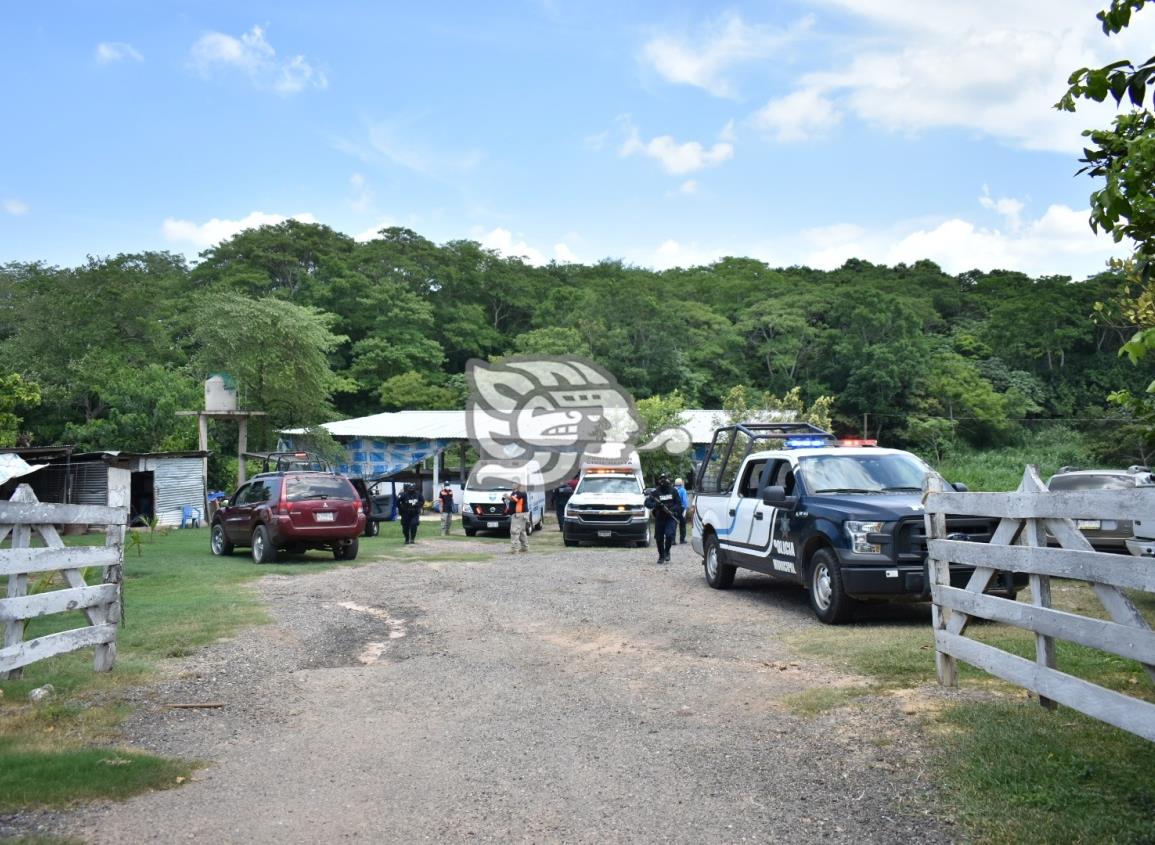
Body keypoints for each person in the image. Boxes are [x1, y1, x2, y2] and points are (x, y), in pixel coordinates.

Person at [645, 473, 683, 564]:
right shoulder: (655, 492)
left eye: (664, 479)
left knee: (669, 535)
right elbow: (647, 503)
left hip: (670, 517)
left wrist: (671, 509)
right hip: (659, 518)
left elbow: (678, 504)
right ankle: (661, 556)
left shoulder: (673, 491)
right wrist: (656, 505)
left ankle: (667, 551)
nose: (663, 482)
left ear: (668, 480)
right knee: (659, 538)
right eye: (661, 480)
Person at [505, 481, 530, 553]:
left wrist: (507, 496)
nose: (512, 485)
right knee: (522, 531)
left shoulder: (520, 492)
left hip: (519, 514)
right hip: (520, 514)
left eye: (514, 483)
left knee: (514, 531)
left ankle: (514, 549)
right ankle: (525, 547)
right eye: (512, 483)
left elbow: (514, 499)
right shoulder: (515, 492)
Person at [674, 477, 689, 544]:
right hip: (681, 508)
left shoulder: (673, 490)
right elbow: (685, 501)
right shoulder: (683, 490)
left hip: (673, 508)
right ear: (681, 483)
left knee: (673, 524)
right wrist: (686, 508)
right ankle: (682, 539)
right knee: (682, 524)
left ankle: (672, 540)